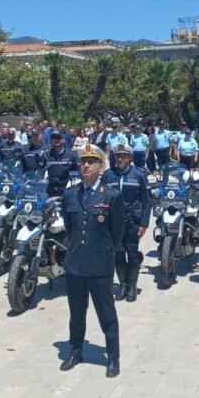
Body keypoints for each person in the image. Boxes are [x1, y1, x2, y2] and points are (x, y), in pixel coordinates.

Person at [60, 144, 125, 377]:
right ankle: (75, 351)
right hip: (75, 264)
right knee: (76, 313)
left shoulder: (111, 195)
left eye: (91, 161)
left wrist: (103, 252)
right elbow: (70, 228)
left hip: (100, 266)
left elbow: (117, 232)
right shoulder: (70, 194)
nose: (86, 165)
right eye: (83, 161)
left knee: (106, 314)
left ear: (101, 166)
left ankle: (113, 358)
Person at [102, 143, 152, 302]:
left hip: (132, 221)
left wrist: (144, 224)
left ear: (130, 158)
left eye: (124, 155)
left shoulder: (139, 175)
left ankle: (132, 286)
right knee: (117, 254)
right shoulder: (108, 175)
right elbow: (102, 198)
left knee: (132, 253)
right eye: (118, 155)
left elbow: (148, 200)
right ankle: (122, 285)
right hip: (114, 222)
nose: (121, 158)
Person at [45, 131, 80, 197]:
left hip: (65, 191)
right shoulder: (47, 155)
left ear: (63, 140)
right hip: (50, 191)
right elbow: (42, 171)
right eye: (53, 138)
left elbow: (76, 172)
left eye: (58, 138)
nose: (55, 140)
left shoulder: (71, 155)